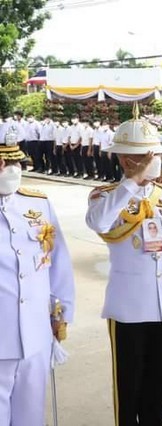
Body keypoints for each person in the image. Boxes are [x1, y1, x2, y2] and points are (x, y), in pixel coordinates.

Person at [85, 113, 162, 425]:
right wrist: (131, 183)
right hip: (129, 310)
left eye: (156, 155)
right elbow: (98, 222)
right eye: (148, 156)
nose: (155, 160)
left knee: (160, 387)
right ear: (125, 159)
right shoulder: (106, 197)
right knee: (129, 390)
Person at [0, 136, 75, 425]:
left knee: (30, 417)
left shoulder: (38, 205)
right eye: (4, 163)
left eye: (15, 162)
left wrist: (61, 312)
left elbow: (58, 264)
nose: (11, 169)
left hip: (35, 335)